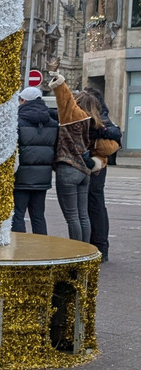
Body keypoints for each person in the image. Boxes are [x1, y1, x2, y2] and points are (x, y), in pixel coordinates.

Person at [76, 90, 121, 261]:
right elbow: (116, 133)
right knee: (96, 205)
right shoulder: (102, 116)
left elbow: (115, 134)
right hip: (97, 168)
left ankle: (93, 247)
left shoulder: (96, 118)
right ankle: (100, 247)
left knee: (88, 207)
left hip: (92, 167)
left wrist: (96, 130)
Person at [48, 72, 92, 242]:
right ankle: (86, 251)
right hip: (85, 169)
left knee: (72, 217)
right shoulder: (90, 119)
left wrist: (59, 82)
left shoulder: (72, 117)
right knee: (83, 215)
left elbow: (65, 98)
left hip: (68, 167)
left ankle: (77, 253)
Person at [12, 86, 57, 235]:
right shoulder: (52, 122)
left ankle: (19, 247)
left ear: (23, 100)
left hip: (21, 176)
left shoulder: (17, 121)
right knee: (38, 216)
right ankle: (41, 248)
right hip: (42, 177)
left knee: (18, 214)